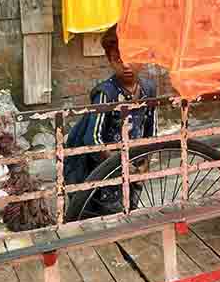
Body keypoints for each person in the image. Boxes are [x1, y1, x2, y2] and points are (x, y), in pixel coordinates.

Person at [64, 25, 157, 211]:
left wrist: (146, 161)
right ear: (110, 60)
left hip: (135, 160)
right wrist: (118, 164)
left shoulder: (149, 89)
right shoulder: (106, 94)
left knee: (131, 206)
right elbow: (93, 139)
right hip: (105, 166)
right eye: (118, 60)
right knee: (108, 212)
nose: (126, 65)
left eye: (132, 58)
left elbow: (151, 128)